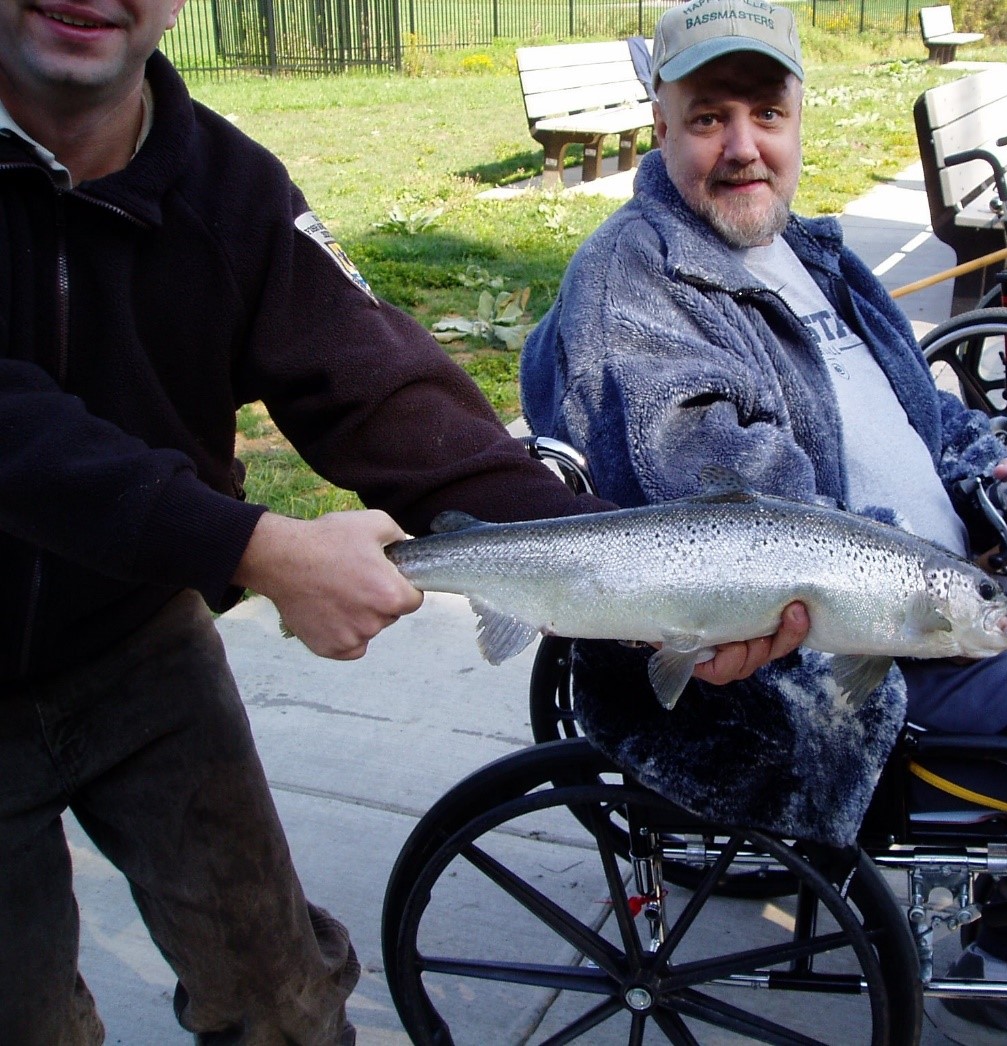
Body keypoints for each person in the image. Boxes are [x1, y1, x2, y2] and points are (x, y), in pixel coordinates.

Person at [0, 0, 806, 1041]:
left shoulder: (230, 190)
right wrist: (255, 546)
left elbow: (379, 387)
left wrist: (615, 572)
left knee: (279, 992)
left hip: (135, 643)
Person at [520, 1, 1007, 1042]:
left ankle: (1002, 936)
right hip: (843, 678)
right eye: (709, 118)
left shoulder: (808, 249)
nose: (744, 146)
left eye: (767, 113)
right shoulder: (636, 282)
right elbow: (749, 509)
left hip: (941, 597)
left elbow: (924, 413)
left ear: (798, 120)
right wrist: (931, 575)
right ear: (661, 124)